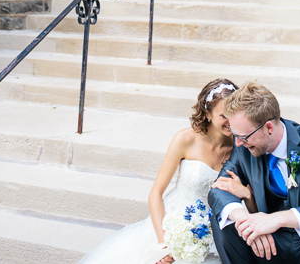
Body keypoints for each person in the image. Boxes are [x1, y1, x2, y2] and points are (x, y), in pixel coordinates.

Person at [79, 78, 248, 264]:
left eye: (234, 113)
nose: (230, 121)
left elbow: (251, 199)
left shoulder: (242, 146)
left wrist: (246, 195)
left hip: (218, 233)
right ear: (208, 113)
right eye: (224, 115)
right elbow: (155, 194)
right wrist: (163, 244)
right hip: (174, 225)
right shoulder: (185, 139)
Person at [208, 82, 300, 263]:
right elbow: (218, 190)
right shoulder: (243, 146)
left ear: (269, 128)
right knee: (224, 223)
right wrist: (246, 221)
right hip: (271, 243)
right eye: (235, 134)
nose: (238, 143)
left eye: (243, 137)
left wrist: (278, 219)